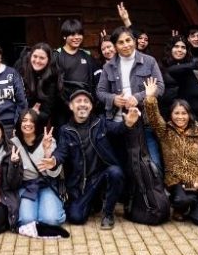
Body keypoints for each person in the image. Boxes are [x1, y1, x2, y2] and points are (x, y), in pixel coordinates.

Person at [54, 87, 140, 229]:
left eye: (86, 101)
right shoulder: (65, 130)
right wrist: (53, 160)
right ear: (71, 106)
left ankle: (108, 213)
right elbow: (61, 152)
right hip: (80, 185)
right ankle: (94, 203)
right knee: (76, 218)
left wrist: (128, 123)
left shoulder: (100, 122)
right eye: (78, 101)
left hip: (100, 178)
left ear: (91, 106)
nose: (82, 104)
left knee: (115, 172)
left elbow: (117, 129)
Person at [142, 77, 198, 226]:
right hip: (177, 181)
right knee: (182, 199)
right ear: (171, 115)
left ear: (189, 115)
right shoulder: (165, 131)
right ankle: (181, 205)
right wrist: (150, 98)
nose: (180, 117)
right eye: (177, 113)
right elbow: (154, 118)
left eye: (184, 113)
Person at [96, 26, 165, 170]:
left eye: (128, 40)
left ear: (134, 40)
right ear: (115, 46)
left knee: (153, 164)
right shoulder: (109, 66)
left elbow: (160, 87)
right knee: (126, 165)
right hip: (119, 122)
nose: (126, 45)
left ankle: (156, 191)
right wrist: (113, 98)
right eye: (121, 42)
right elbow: (100, 92)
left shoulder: (149, 61)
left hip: (145, 120)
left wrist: (138, 97)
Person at [14, 109, 66, 227]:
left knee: (50, 221)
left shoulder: (48, 140)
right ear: (19, 123)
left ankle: (55, 209)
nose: (28, 124)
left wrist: (48, 153)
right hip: (26, 186)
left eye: (32, 121)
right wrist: (14, 164)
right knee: (26, 221)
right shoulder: (13, 143)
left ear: (36, 124)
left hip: (46, 184)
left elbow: (55, 173)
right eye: (24, 120)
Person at [18, 43, 63, 127]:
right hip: (19, 117)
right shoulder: (21, 69)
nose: (37, 61)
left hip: (38, 121)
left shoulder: (52, 77)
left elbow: (47, 112)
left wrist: (36, 114)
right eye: (35, 56)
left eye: (42, 58)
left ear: (48, 60)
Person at [55, 18, 97, 104]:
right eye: (72, 34)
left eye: (79, 34)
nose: (77, 37)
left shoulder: (87, 55)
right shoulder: (56, 55)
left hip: (84, 104)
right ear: (64, 36)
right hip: (63, 106)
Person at [160, 34, 193, 113]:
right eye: (176, 46)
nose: (180, 50)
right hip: (165, 110)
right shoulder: (161, 65)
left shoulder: (191, 66)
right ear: (170, 48)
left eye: (183, 47)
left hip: (185, 111)